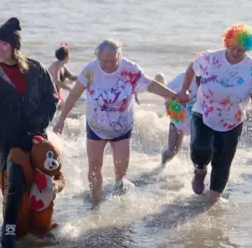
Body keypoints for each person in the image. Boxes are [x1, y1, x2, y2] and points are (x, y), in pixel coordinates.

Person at [53, 39, 182, 207]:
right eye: (104, 61)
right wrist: (61, 119)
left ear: (119, 56)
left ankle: (120, 196)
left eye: (113, 61)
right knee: (94, 167)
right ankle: (95, 204)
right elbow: (73, 96)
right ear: (98, 58)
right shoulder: (90, 71)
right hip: (96, 127)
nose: (108, 65)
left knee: (121, 170)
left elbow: (150, 85)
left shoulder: (130, 69)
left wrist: (174, 96)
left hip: (122, 129)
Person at [0, 17, 61, 248]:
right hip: (8, 137)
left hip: (36, 136)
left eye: (4, 43)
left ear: (15, 46)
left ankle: (39, 228)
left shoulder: (36, 69)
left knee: (41, 185)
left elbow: (52, 98)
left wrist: (39, 122)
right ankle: (9, 233)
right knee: (13, 183)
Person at [177, 23, 252, 201]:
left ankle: (211, 204)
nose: (235, 53)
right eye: (232, 48)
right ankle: (200, 170)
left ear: (248, 49)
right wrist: (184, 89)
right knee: (199, 149)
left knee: (222, 163)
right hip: (203, 110)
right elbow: (191, 69)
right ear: (227, 43)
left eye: (240, 50)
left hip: (232, 120)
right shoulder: (210, 58)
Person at [160, 69, 201, 166]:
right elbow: (165, 91)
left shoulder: (213, 81)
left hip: (198, 120)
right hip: (178, 117)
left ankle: (197, 176)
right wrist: (169, 103)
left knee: (201, 151)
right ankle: (162, 165)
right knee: (172, 151)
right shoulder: (185, 77)